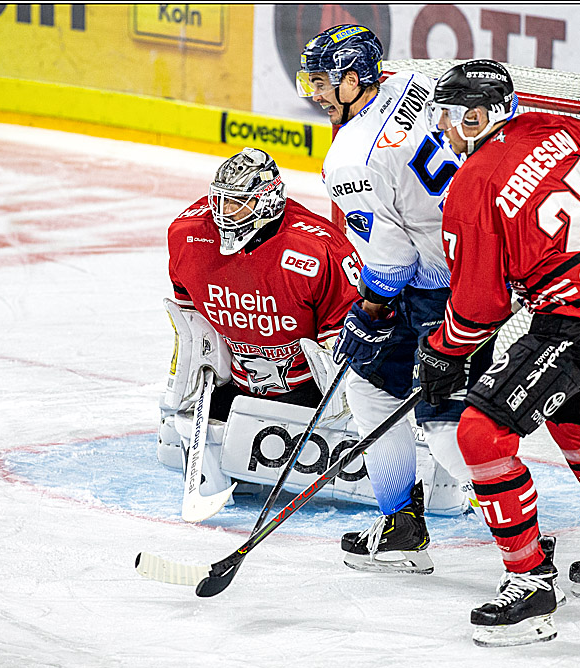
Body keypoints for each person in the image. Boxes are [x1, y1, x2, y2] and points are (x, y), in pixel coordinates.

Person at [417, 59, 580, 647]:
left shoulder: (472, 186)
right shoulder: (545, 127)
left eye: (449, 115)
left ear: (475, 116)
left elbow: (481, 308)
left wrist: (442, 353)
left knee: (481, 433)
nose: (443, 126)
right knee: (577, 429)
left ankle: (529, 586)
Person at [295, 24, 497, 574]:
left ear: (355, 79)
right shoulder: (411, 82)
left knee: (445, 423)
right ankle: (402, 525)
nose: (314, 94)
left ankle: (523, 547)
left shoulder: (349, 159)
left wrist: (369, 310)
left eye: (322, 82)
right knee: (372, 389)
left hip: (441, 288)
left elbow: (389, 264)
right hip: (475, 263)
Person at [165, 146, 360, 425]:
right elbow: (191, 324)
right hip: (234, 388)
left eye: (237, 203)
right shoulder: (188, 235)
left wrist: (343, 411)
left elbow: (340, 341)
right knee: (177, 439)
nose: (223, 212)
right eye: (220, 200)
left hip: (306, 393)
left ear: (267, 202)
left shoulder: (318, 248)